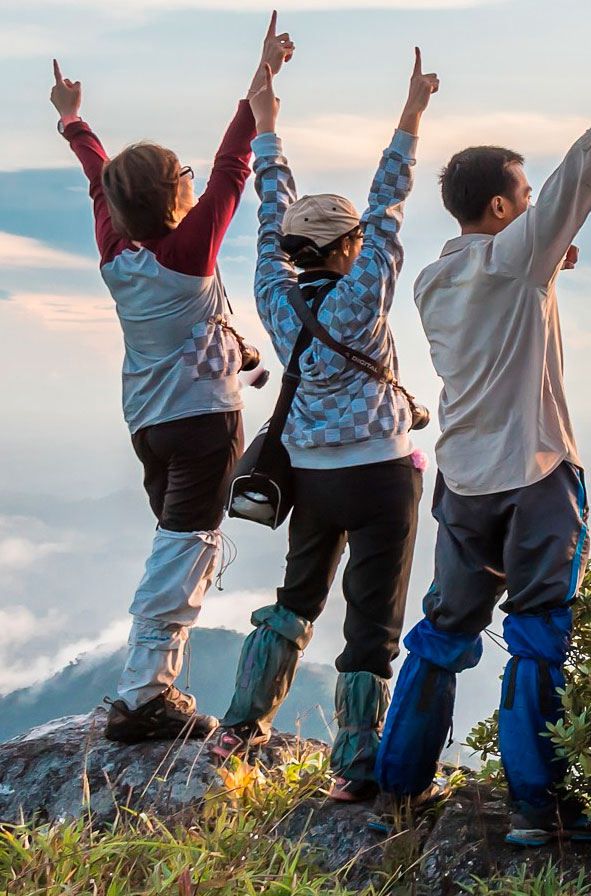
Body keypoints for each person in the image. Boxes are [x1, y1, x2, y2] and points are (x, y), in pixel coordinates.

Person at [373, 25, 591, 844]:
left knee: (443, 631)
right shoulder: (516, 261)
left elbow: (513, 268)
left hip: (464, 484)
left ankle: (398, 785)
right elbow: (575, 182)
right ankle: (535, 809)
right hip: (537, 474)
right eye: (522, 196)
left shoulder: (437, 281)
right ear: (505, 208)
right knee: (540, 639)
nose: (533, 202)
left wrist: (547, 263)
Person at [51, 15, 295, 743]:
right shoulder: (185, 257)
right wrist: (262, 81)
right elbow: (232, 166)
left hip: (149, 427)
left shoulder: (115, 253)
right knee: (186, 547)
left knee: (180, 538)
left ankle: (151, 684)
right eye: (183, 176)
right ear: (175, 199)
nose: (197, 179)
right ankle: (144, 695)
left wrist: (73, 120)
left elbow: (101, 180)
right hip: (200, 428)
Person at [207, 52, 440, 803]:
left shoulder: (273, 295)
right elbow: (390, 202)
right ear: (349, 248)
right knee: (371, 620)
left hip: (309, 477)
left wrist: (267, 125)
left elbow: (273, 211)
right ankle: (353, 764)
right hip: (379, 477)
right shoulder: (364, 292)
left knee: (297, 594)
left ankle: (242, 723)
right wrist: (411, 115)